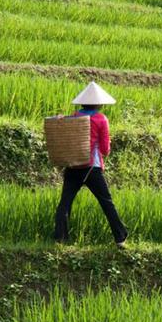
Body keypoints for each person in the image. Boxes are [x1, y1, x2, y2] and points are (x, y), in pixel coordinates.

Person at [54, 82, 129, 248]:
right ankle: (120, 238)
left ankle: (60, 239)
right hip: (91, 168)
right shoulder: (101, 119)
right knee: (106, 202)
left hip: (73, 166)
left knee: (65, 203)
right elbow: (105, 150)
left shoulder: (74, 117)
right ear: (98, 103)